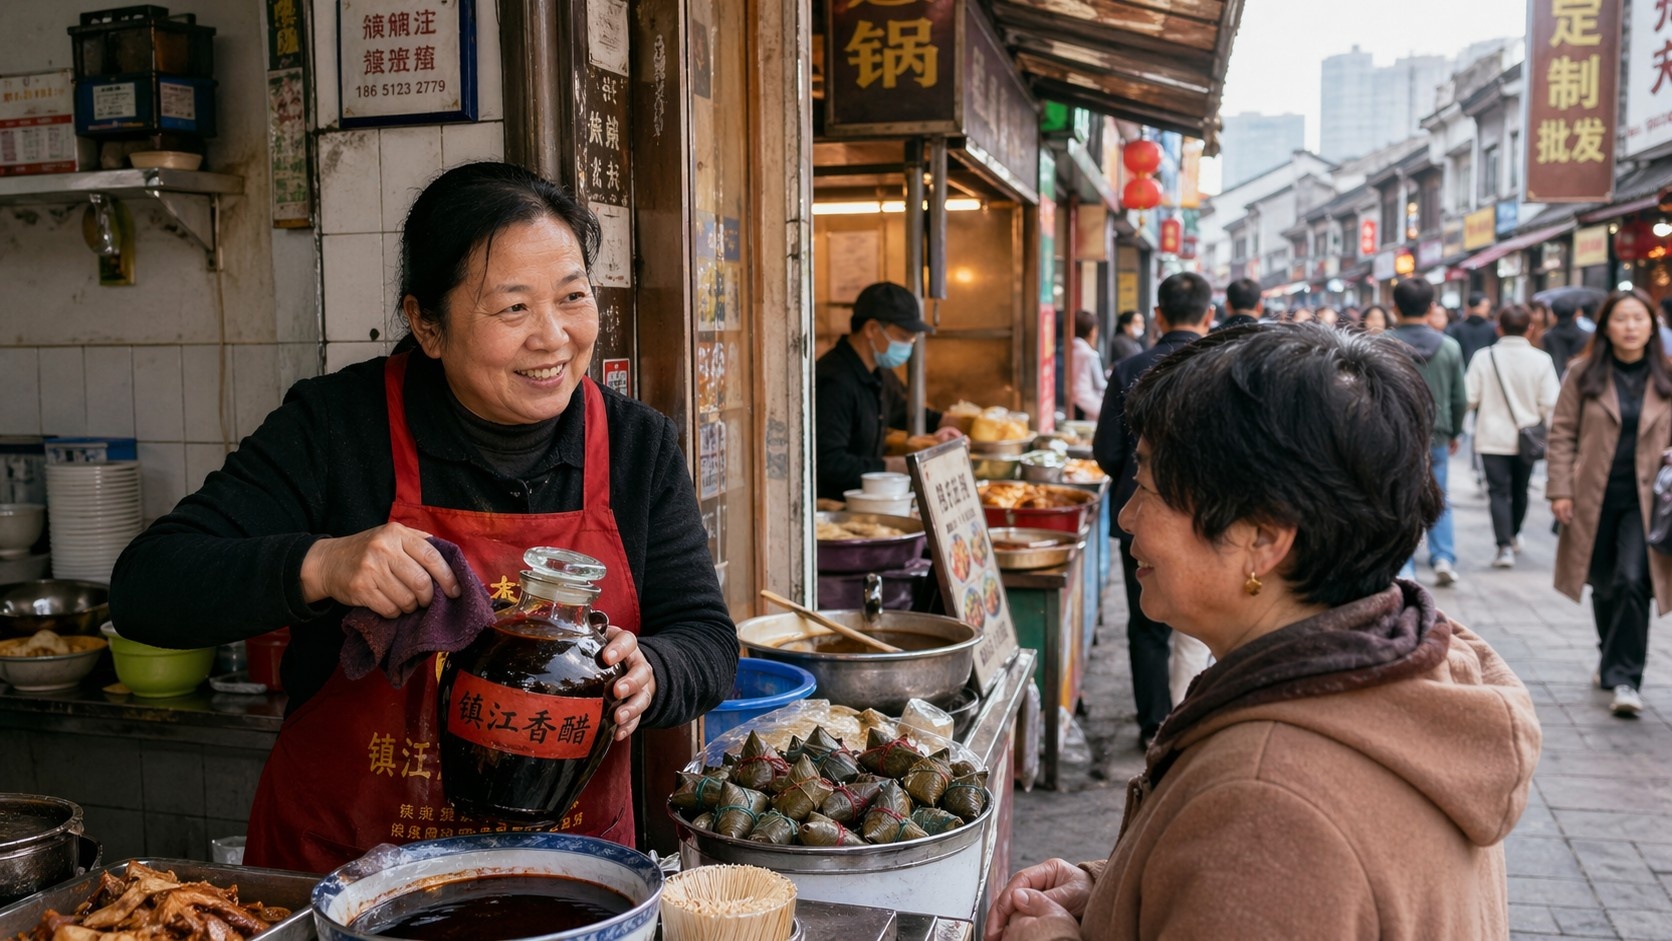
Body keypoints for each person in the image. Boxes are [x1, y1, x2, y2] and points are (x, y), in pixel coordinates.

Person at [108, 162, 738, 871]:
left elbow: (708, 639)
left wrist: (653, 668)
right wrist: (320, 564)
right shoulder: (335, 427)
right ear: (426, 325)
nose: (554, 336)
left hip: (568, 880)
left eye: (572, 297)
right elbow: (145, 587)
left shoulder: (636, 445)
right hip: (350, 881)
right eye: (513, 308)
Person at [986, 325, 1540, 940]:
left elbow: (1271, 873)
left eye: (1146, 487)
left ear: (1263, 538)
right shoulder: (1401, 662)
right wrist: (1113, 887)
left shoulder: (1267, 808)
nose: (1127, 516)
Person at [1092, 272, 1215, 749]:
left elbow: (1106, 450)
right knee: (1197, 625)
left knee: (1146, 626)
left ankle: (1152, 725)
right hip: (1207, 518)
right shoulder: (1221, 369)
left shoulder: (1130, 368)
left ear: (1158, 315)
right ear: (1208, 316)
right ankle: (1190, 717)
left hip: (1139, 517)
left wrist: (1136, 482)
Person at [1548, 290, 1672, 719]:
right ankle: (1610, 655)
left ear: (1652, 326)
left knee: (1633, 581)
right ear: (1606, 327)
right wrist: (1560, 490)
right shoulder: (1583, 374)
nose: (1631, 327)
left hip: (1647, 502)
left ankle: (1625, 678)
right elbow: (1561, 434)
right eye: (1622, 319)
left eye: (1640, 318)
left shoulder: (1667, 376)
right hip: (1593, 497)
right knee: (1602, 583)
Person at [813, 281, 962, 500]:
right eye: (903, 337)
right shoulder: (835, 381)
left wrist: (946, 424)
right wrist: (892, 466)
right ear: (872, 329)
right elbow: (829, 462)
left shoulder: (878, 371)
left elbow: (900, 410)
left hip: (870, 500)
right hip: (834, 506)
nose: (908, 345)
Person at [1464, 305, 1559, 569]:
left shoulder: (1484, 358)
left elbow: (1469, 397)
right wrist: (1555, 438)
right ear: (1530, 328)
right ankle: (1514, 534)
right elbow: (1550, 403)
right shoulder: (1542, 360)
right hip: (1528, 438)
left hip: (1491, 437)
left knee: (1497, 491)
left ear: (1499, 328)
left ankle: (1503, 546)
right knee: (1521, 490)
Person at [1388, 278, 1466, 587]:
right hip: (1437, 433)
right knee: (1439, 494)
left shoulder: (1382, 343)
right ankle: (1443, 556)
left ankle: (1403, 565)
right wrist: (1455, 431)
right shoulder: (1449, 347)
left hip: (1393, 433)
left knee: (1397, 497)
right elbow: (1461, 397)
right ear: (1432, 307)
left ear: (1394, 307)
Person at [1069, 310, 1108, 421]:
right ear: (1091, 331)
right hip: (1088, 402)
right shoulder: (1090, 354)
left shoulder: (1069, 349)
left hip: (1072, 401)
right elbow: (1099, 383)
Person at [1543, 294, 1592, 376]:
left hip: (1554, 379)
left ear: (1554, 315)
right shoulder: (1586, 336)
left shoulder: (1548, 336)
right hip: (1579, 379)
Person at [1448, 292, 1499, 366]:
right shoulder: (1493, 327)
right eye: (1485, 306)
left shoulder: (1456, 327)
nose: (1488, 309)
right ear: (1474, 307)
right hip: (1486, 367)